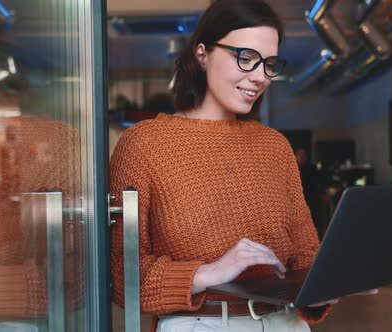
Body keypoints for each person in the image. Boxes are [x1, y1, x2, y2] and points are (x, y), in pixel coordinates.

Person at [109, 1, 375, 331]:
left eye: (269, 64)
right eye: (246, 58)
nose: (260, 77)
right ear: (202, 54)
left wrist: (326, 287)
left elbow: (305, 254)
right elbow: (121, 276)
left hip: (285, 324)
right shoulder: (144, 144)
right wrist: (208, 273)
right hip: (199, 325)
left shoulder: (275, 146)